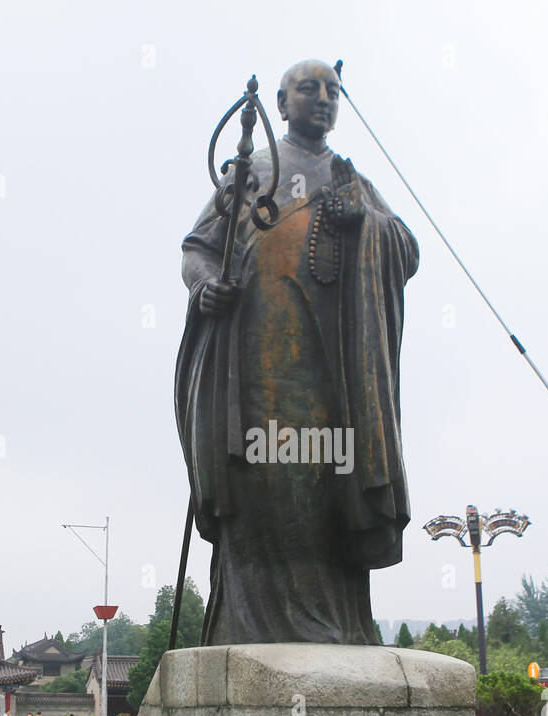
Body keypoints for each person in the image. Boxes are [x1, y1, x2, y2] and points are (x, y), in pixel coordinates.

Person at [178, 59, 419, 645]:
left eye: (332, 90)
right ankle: (252, 626)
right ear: (282, 104)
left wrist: (365, 224)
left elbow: (405, 249)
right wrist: (206, 285)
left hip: (332, 369)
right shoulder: (251, 170)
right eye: (308, 89)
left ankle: (337, 628)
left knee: (328, 478)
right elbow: (196, 250)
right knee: (263, 482)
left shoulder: (351, 181)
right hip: (255, 363)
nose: (323, 99)